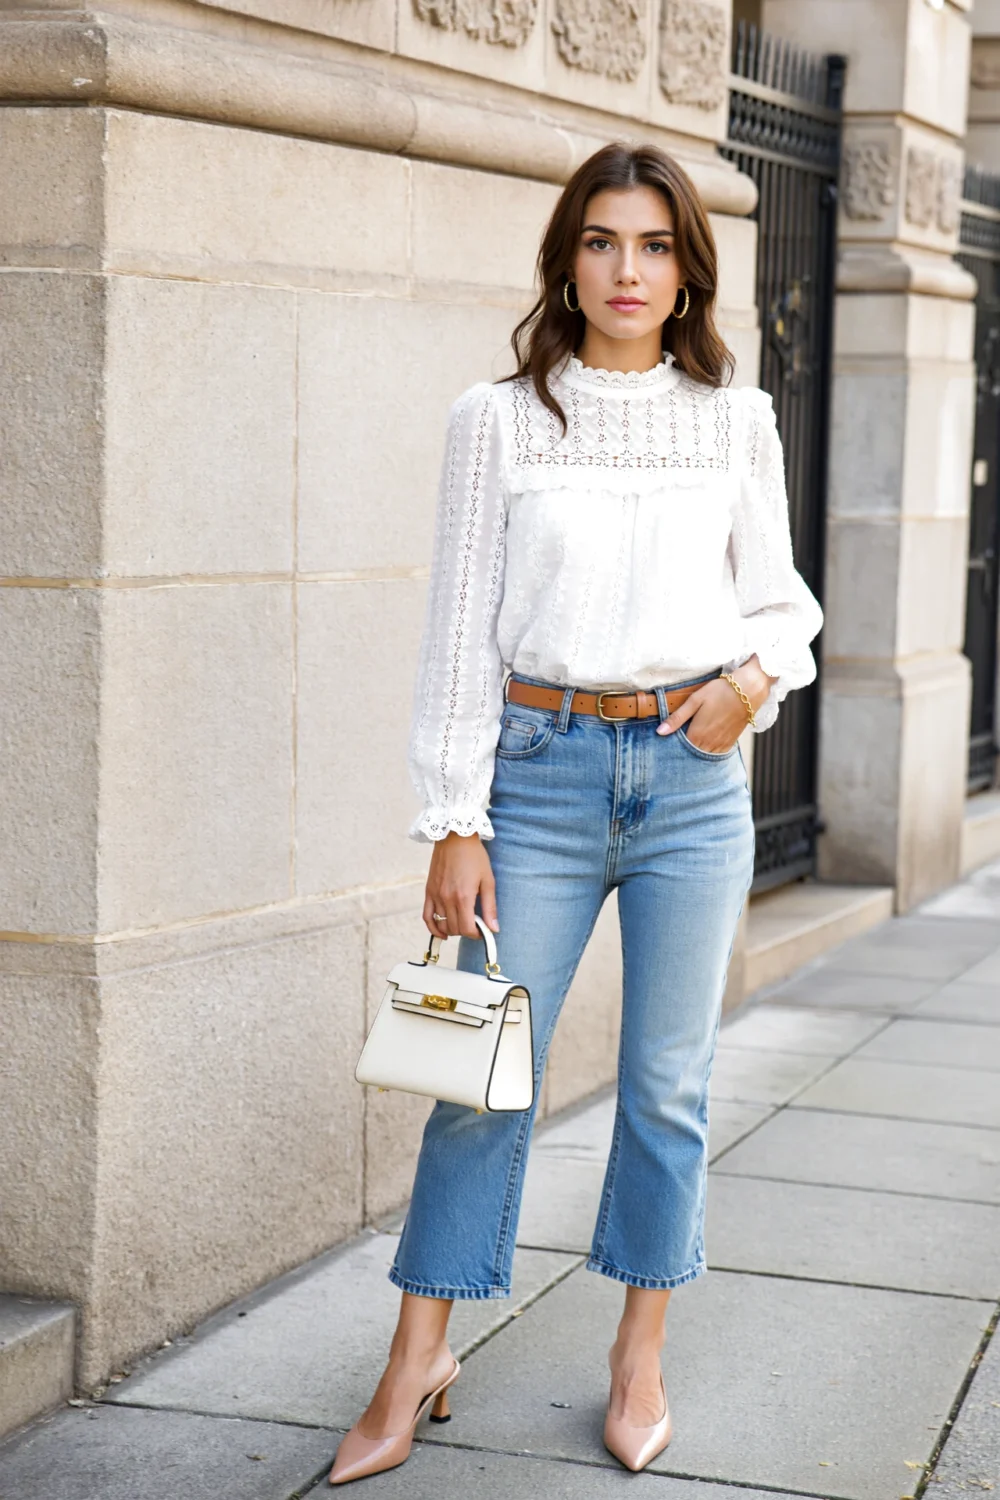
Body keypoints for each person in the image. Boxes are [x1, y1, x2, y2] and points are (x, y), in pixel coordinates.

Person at [328, 141, 823, 1485]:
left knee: (668, 1086)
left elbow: (781, 603)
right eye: (602, 241)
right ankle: (414, 1360)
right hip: (535, 779)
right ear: (567, 260)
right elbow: (458, 632)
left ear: (687, 271)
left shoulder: (735, 420)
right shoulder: (495, 421)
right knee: (476, 1078)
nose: (627, 269)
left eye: (654, 245)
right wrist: (454, 815)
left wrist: (750, 685)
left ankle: (638, 1355)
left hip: (691, 786)